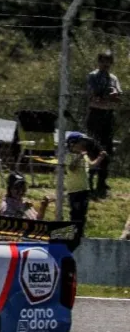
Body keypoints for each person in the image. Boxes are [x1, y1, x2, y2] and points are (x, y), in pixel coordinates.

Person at [85, 50, 122, 198]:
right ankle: (88, 180)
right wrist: (106, 96)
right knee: (92, 147)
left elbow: (118, 96)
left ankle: (102, 182)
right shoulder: (93, 76)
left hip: (108, 115)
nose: (106, 64)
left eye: (108, 61)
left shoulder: (113, 78)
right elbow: (93, 95)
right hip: (95, 115)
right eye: (103, 61)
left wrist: (113, 96)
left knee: (107, 149)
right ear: (98, 62)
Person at [65, 131, 106, 241]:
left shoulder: (84, 155)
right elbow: (72, 168)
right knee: (75, 214)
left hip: (84, 189)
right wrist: (80, 156)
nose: (83, 145)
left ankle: (80, 234)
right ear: (72, 144)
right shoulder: (69, 156)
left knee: (82, 214)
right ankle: (72, 234)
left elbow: (92, 165)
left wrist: (100, 157)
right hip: (74, 190)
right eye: (81, 143)